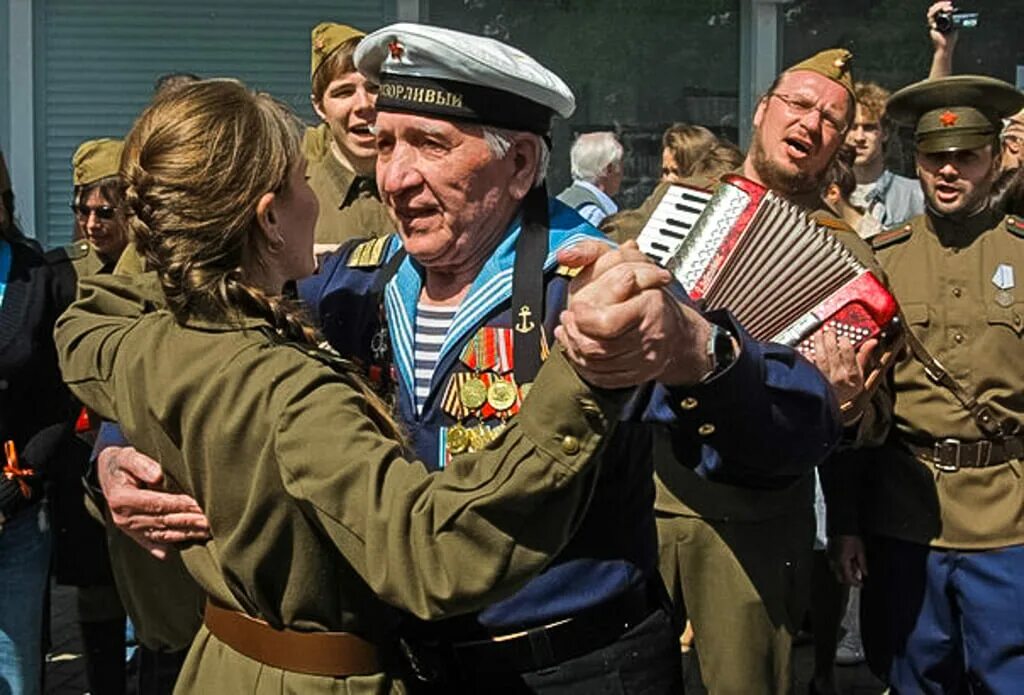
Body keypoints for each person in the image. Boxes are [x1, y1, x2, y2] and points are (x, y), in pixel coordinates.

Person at [90, 24, 842, 694]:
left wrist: (695, 351)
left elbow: (796, 428)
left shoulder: (591, 291)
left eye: (431, 144)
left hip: (574, 667)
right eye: (385, 144)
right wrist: (119, 454)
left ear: (518, 165)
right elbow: (204, 363)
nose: (396, 177)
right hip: (404, 663)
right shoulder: (344, 287)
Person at [608, 48, 891, 695]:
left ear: (838, 148)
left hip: (755, 525)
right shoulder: (675, 210)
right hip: (639, 500)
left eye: (831, 120)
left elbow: (874, 421)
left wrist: (848, 406)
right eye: (800, 103)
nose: (812, 123)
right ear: (764, 110)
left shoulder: (849, 264)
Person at [826, 75, 1024, 693]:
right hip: (908, 523)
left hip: (1013, 522)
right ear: (917, 162)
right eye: (934, 158)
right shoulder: (881, 260)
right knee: (914, 678)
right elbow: (857, 409)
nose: (948, 172)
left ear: (994, 160)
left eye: (965, 156)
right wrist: (847, 521)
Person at [0, 151, 78, 695]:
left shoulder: (40, 276)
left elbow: (58, 398)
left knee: (16, 668)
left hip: (17, 511)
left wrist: (19, 480)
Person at [305, 22, 393, 255]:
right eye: (344, 92)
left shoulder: (423, 187)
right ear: (319, 107)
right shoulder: (297, 198)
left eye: (374, 88)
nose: (363, 105)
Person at [845, 82, 925, 239]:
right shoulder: (830, 194)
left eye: (868, 128)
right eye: (853, 127)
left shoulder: (916, 194)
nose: (859, 137)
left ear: (885, 133)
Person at [555, 131, 624, 225]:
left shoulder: (560, 201)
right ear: (608, 169)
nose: (622, 171)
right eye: (620, 163)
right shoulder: (594, 215)